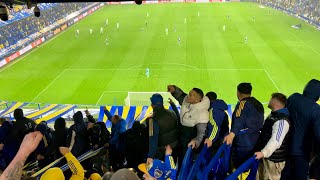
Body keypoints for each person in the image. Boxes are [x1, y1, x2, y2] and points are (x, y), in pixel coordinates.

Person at [281, 79, 320, 180]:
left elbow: (282, 114)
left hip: (284, 147)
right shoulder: (316, 109)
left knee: (284, 175)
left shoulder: (294, 97)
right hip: (301, 153)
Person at [224, 83, 264, 175]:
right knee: (248, 166)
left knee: (238, 168)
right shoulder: (258, 104)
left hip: (242, 143)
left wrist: (232, 133)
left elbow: (239, 120)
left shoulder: (243, 103)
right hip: (255, 141)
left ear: (238, 92)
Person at [254, 93, 291, 180]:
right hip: (266, 157)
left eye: (270, 99)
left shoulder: (282, 121)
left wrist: (264, 152)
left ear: (274, 102)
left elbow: (276, 141)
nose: (269, 101)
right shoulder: (274, 115)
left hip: (273, 161)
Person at [167, 85, 209, 157]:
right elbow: (181, 96)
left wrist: (195, 141)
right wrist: (174, 90)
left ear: (196, 100)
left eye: (190, 95)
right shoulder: (187, 100)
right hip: (182, 136)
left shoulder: (202, 114)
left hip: (189, 143)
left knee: (185, 158)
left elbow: (201, 133)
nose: (187, 96)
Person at [146, 94, 179, 165]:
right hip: (175, 148)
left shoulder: (152, 120)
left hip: (162, 152)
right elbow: (178, 116)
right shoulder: (172, 113)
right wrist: (172, 104)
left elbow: (153, 139)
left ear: (152, 104)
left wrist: (150, 156)